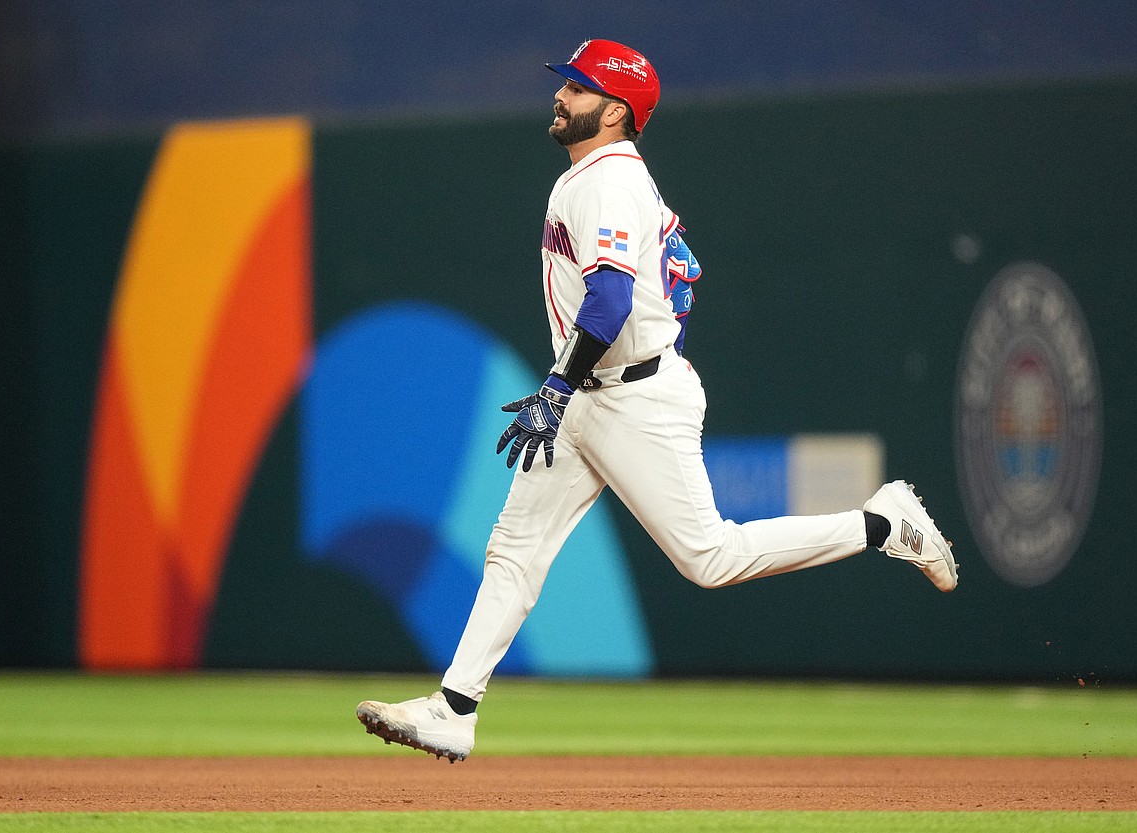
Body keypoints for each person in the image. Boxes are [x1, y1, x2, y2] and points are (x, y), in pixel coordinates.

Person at [356, 39, 958, 763]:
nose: (562, 96)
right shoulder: (599, 175)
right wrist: (576, 380)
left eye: (578, 89)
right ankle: (454, 709)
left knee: (710, 556)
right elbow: (671, 276)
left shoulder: (607, 181)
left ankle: (883, 521)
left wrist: (556, 386)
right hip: (591, 392)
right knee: (513, 549)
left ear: (614, 111)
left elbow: (609, 300)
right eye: (567, 84)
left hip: (630, 398)